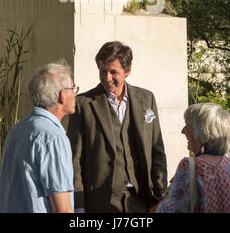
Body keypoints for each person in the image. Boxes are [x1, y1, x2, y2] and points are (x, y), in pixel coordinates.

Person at [67, 41, 167, 213]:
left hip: (141, 200)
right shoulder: (83, 104)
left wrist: (160, 196)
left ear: (128, 71)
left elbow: (156, 149)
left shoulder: (147, 99)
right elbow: (74, 159)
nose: (107, 78)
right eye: (102, 71)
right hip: (99, 201)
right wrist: (78, 204)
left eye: (113, 72)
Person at [0, 60, 79, 213]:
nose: (75, 94)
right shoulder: (53, 138)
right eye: (73, 89)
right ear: (62, 96)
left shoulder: (17, 130)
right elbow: (63, 209)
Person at [157, 102, 230, 213]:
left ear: (203, 133)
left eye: (187, 126)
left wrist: (164, 199)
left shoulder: (190, 168)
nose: (183, 131)